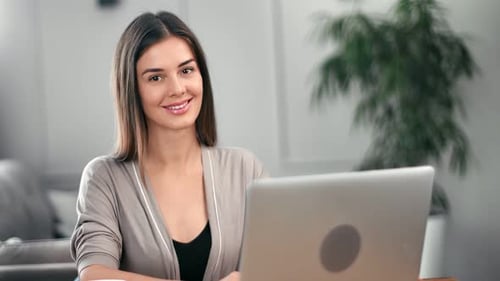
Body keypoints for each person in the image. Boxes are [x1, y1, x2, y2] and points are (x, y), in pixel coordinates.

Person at [70, 11, 267, 281]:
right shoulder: (104, 178)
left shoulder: (245, 168)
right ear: (132, 89)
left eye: (186, 70)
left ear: (201, 77)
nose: (177, 88)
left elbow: (277, 261)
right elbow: (94, 275)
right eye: (155, 77)